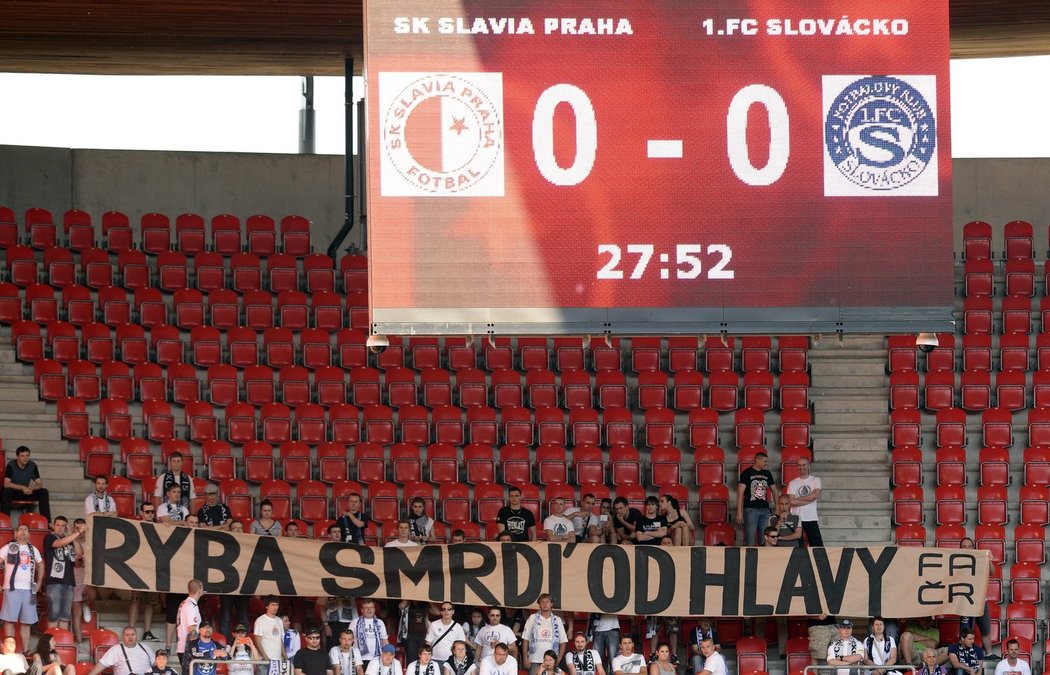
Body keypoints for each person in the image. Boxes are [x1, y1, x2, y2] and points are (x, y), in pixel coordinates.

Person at [0, 525, 43, 651]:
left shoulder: (33, 549)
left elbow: (41, 565)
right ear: (16, 533)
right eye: (21, 529)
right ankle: (9, 651)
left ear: (29, 534)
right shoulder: (9, 547)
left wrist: (39, 582)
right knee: (9, 620)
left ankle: (25, 650)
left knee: (27, 622)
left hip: (30, 589)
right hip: (12, 588)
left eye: (26, 529)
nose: (23, 531)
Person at [43, 516, 80, 631]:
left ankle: (61, 645)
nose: (60, 528)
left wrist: (72, 535)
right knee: (54, 615)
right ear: (54, 526)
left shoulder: (70, 540)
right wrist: (77, 533)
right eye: (57, 525)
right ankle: (51, 643)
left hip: (69, 582)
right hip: (54, 582)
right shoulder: (49, 537)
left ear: (66, 527)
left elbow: (79, 552)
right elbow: (59, 543)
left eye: (63, 525)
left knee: (65, 616)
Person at [130, 503, 161, 641]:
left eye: (152, 511)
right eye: (147, 511)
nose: (150, 514)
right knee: (136, 599)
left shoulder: (159, 529)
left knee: (150, 602)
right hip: (139, 569)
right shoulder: (136, 528)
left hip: (153, 569)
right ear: (141, 513)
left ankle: (147, 631)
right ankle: (131, 629)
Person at [736, 451, 778, 547]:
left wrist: (777, 506)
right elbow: (740, 493)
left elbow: (775, 490)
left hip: (765, 510)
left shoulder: (767, 473)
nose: (766, 464)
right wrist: (739, 512)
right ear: (757, 460)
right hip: (750, 510)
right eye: (765, 461)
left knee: (765, 539)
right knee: (750, 539)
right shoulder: (746, 473)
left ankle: (764, 561)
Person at [521, 594, 568, 675]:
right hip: (534, 660)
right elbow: (525, 639)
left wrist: (559, 658)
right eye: (542, 602)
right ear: (539, 604)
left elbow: (563, 641)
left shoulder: (557, 620)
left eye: (547, 602)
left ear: (551, 604)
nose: (545, 604)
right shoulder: (532, 618)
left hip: (551, 661)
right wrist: (525, 657)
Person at [0, 447, 51, 520]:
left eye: (27, 455)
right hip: (14, 492)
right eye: (22, 456)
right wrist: (22, 487)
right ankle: (4, 521)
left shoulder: (32, 465)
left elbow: (40, 484)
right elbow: (6, 484)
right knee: (6, 491)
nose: (25, 458)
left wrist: (31, 488)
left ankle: (46, 522)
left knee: (44, 492)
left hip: (26, 492)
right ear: (17, 457)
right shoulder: (11, 465)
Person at [786, 457, 823, 547]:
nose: (802, 467)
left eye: (804, 464)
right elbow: (792, 502)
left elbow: (815, 495)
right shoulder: (793, 483)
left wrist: (798, 498)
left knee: (818, 547)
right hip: (796, 518)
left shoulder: (816, 480)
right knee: (797, 547)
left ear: (808, 465)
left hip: (811, 517)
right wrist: (809, 499)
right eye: (799, 465)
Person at [90, 627, 155, 675]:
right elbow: (102, 664)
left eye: (132, 634)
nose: (130, 637)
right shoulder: (116, 649)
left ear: (136, 636)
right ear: (123, 637)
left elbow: (156, 664)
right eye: (127, 635)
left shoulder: (145, 647)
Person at [321, 583, 358, 651]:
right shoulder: (328, 589)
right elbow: (322, 608)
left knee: (348, 647)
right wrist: (326, 625)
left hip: (350, 623)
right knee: (332, 648)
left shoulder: (353, 587)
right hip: (333, 623)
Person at [354, 599, 389, 670]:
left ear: (374, 609)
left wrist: (389, 654)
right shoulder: (354, 622)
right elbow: (348, 639)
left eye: (371, 607)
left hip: (376, 658)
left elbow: (385, 642)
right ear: (362, 610)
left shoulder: (380, 622)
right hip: (359, 659)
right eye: (366, 608)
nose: (369, 610)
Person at [176, 579, 205, 664]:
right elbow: (192, 629)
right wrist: (196, 648)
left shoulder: (184, 603)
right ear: (199, 590)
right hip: (188, 648)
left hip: (183, 646)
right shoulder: (190, 606)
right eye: (202, 588)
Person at [254, 596, 287, 670]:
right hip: (265, 661)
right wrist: (266, 658)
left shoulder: (279, 620)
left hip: (278, 661)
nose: (275, 607)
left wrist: (285, 657)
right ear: (266, 606)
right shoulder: (260, 620)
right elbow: (258, 642)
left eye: (277, 605)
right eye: (272, 605)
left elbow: (280, 640)